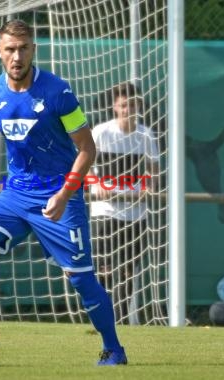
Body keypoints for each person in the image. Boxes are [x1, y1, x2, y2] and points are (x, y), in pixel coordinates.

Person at [0, 20, 127, 366]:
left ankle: (113, 349)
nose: (16, 56)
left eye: (23, 48)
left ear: (33, 49)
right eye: (10, 49)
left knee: (80, 278)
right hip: (17, 195)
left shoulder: (58, 92)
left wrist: (65, 194)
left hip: (59, 197)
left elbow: (87, 150)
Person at [88, 82, 160, 324]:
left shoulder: (145, 135)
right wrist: (95, 183)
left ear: (138, 106)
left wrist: (148, 186)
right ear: (115, 107)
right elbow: (83, 164)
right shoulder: (101, 132)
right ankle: (102, 315)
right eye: (123, 105)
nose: (128, 109)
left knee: (129, 272)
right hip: (105, 212)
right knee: (105, 269)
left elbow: (153, 170)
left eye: (132, 104)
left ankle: (118, 321)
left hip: (135, 214)